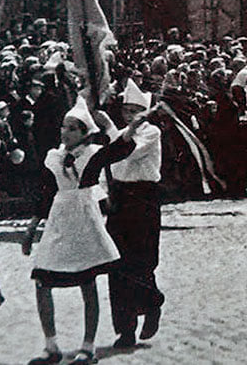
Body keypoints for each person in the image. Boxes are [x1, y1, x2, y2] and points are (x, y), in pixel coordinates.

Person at [21, 96, 145, 365]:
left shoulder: (92, 154)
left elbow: (119, 151)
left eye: (72, 128)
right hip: (58, 219)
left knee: (87, 281)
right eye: (63, 127)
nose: (65, 132)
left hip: (83, 219)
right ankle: (50, 345)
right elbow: (46, 193)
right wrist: (32, 227)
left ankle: (87, 347)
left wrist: (127, 129)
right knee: (42, 279)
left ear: (85, 133)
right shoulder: (54, 157)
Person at [101, 79, 166, 349]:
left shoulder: (151, 133)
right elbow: (107, 162)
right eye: (125, 110)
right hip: (120, 196)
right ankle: (125, 328)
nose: (128, 115)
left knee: (142, 259)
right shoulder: (119, 132)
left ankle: (152, 302)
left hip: (143, 197)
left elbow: (127, 152)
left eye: (134, 111)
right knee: (117, 265)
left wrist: (110, 129)